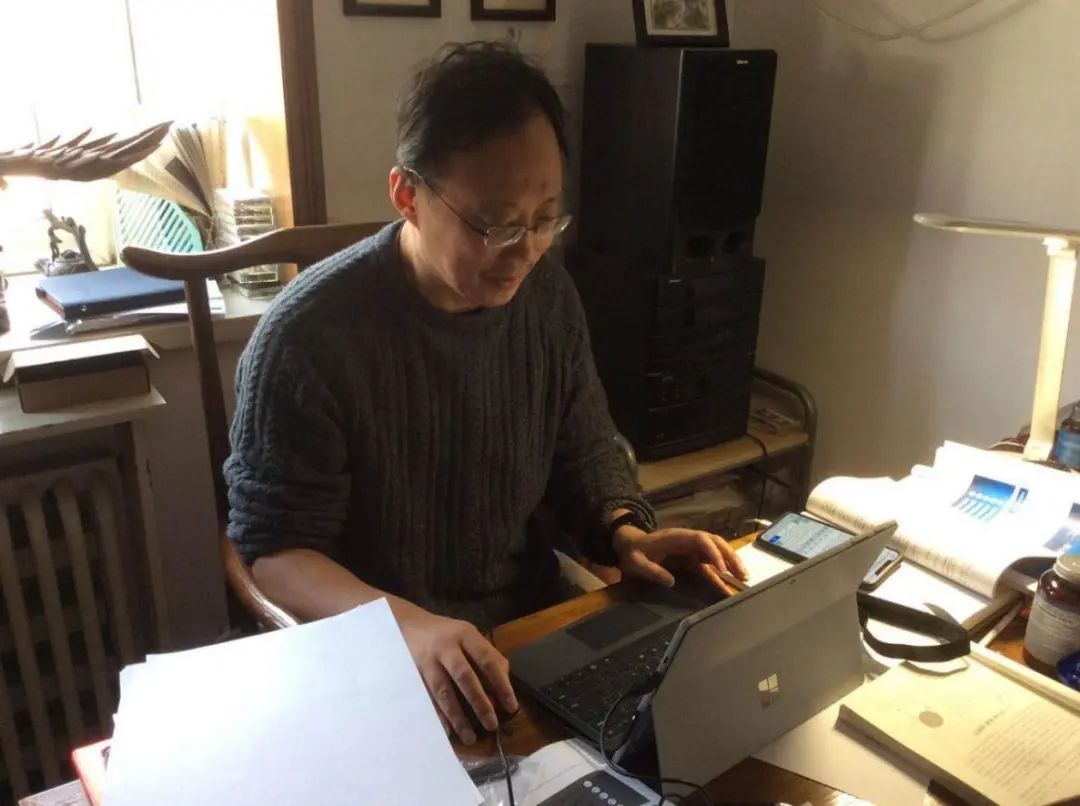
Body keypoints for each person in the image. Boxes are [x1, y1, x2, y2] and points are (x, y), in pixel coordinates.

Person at [223, 41, 746, 746]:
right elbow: (276, 551)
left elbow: (582, 446)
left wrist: (626, 532)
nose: (525, 250)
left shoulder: (546, 294)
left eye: (545, 218)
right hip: (379, 656)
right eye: (495, 223)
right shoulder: (308, 338)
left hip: (525, 630)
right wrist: (413, 629)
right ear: (407, 195)